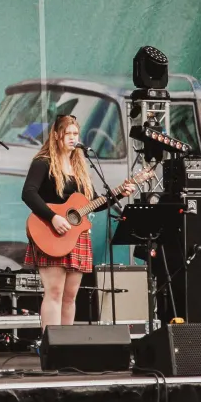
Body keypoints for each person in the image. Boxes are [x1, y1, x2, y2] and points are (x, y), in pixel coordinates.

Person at [22, 114, 129, 329]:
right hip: (51, 233)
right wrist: (53, 217)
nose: (73, 138)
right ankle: (51, 342)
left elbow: (91, 204)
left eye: (75, 133)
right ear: (56, 135)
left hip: (76, 236)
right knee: (54, 292)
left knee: (70, 296)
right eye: (68, 133)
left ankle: (66, 342)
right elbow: (28, 193)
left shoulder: (79, 167)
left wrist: (120, 193)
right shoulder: (43, 162)